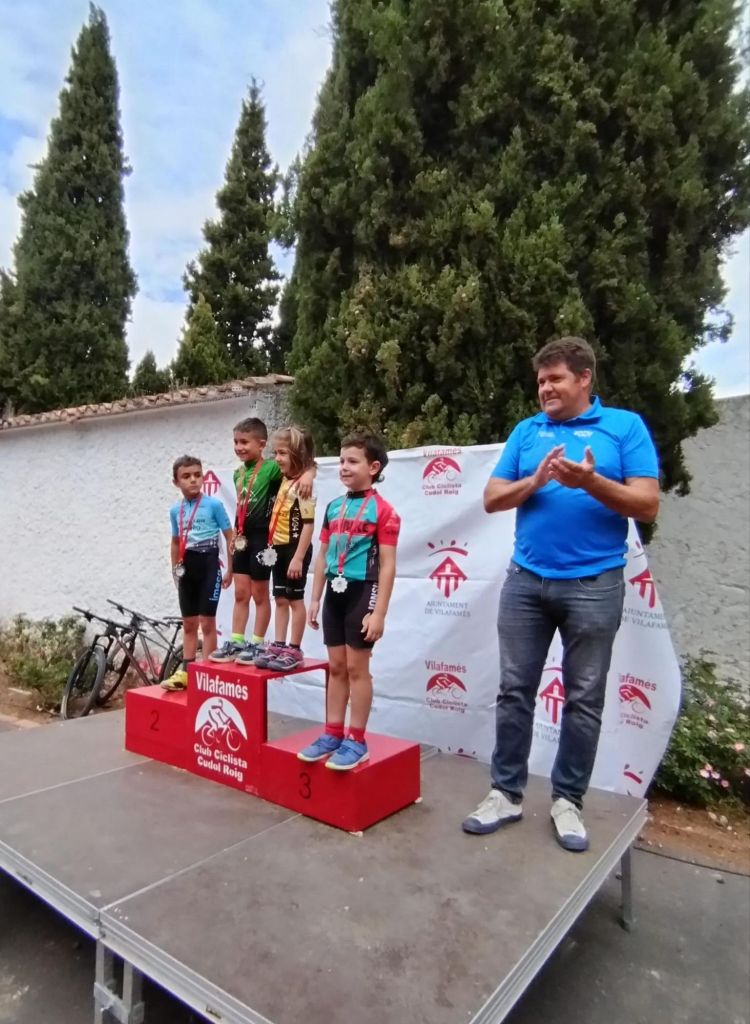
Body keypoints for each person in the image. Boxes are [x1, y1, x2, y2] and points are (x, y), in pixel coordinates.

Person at [462, 336, 660, 851]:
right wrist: (535, 481)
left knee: (584, 698)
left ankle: (568, 801)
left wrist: (590, 483)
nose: (545, 389)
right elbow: (492, 498)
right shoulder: (527, 431)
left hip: (595, 585)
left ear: (584, 378)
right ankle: (505, 794)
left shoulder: (624, 427)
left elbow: (647, 504)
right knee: (514, 691)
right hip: (526, 581)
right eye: (540, 381)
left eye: (555, 379)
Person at [298, 433, 401, 771]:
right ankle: (332, 733)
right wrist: (315, 597)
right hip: (335, 594)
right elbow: (323, 554)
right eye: (342, 460)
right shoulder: (333, 507)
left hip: (363, 591)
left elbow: (387, 565)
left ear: (373, 467)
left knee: (357, 668)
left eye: (353, 461)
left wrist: (379, 612)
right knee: (336, 667)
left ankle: (357, 739)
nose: (344, 467)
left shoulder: (384, 511)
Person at [209, 417, 315, 663]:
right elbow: (241, 506)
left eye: (244, 442)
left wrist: (309, 475)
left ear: (261, 444)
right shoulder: (237, 473)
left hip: (263, 538)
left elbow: (302, 464)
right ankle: (237, 641)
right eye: (236, 442)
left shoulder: (272, 468)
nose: (239, 447)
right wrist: (236, 532)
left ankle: (258, 643)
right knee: (240, 593)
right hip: (243, 537)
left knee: (260, 593)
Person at [244, 425, 317, 671]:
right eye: (276, 453)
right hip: (278, 547)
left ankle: (294, 649)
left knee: (295, 599)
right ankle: (279, 644)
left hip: (295, 549)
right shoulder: (285, 478)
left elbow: (308, 525)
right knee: (280, 599)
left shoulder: (304, 486)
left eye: (283, 453)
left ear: (297, 454)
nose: (277, 458)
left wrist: (298, 558)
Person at [162, 456, 234, 691]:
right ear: (176, 482)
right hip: (188, 566)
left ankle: (209, 672)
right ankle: (186, 671)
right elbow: (176, 542)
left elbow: (230, 537)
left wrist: (231, 568)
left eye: (197, 474)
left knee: (207, 621)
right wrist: (175, 570)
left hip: (209, 564)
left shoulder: (214, 505)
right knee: (189, 623)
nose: (193, 480)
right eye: (186, 476)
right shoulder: (176, 510)